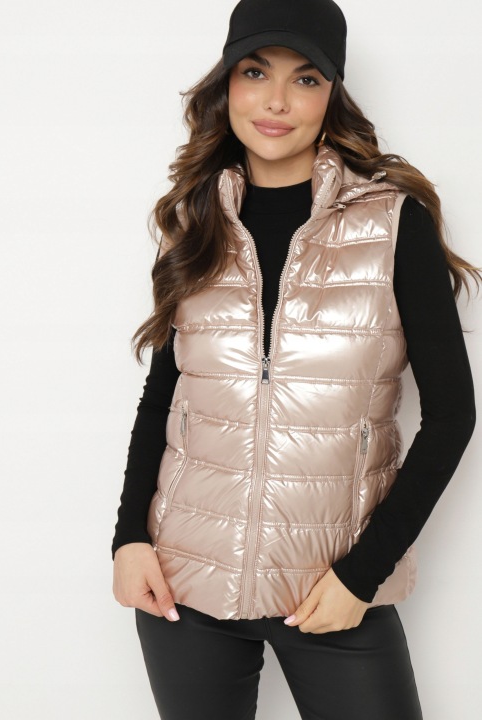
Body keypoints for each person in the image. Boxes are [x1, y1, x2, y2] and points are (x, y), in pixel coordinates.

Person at [111, 1, 479, 718]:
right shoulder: (194, 224)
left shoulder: (392, 223)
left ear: (331, 94)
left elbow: (452, 417)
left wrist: (360, 576)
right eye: (255, 73)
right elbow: (163, 397)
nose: (276, 100)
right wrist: (128, 540)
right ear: (226, 85)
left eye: (305, 79)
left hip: (332, 591)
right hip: (183, 586)